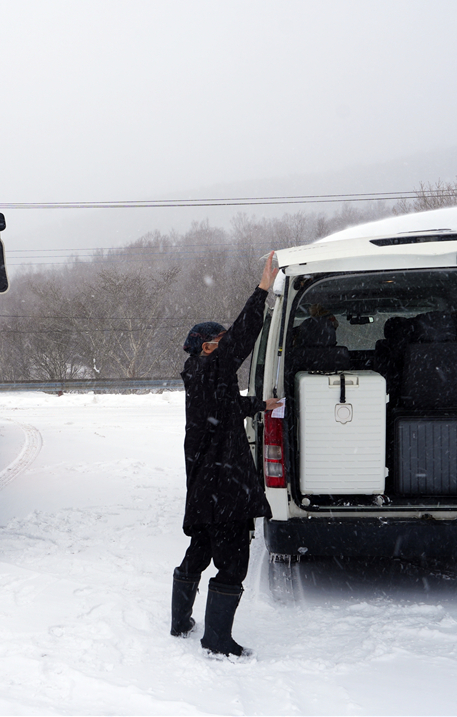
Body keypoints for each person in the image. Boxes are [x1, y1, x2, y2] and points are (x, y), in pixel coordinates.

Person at [172, 251, 282, 658]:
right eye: (217, 342)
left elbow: (225, 407)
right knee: (233, 565)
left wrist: (258, 405)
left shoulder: (198, 378)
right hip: (224, 489)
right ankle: (217, 640)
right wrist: (262, 290)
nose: (224, 346)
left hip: (204, 486)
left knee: (199, 552)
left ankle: (179, 620)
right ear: (205, 348)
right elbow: (242, 336)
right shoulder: (213, 367)